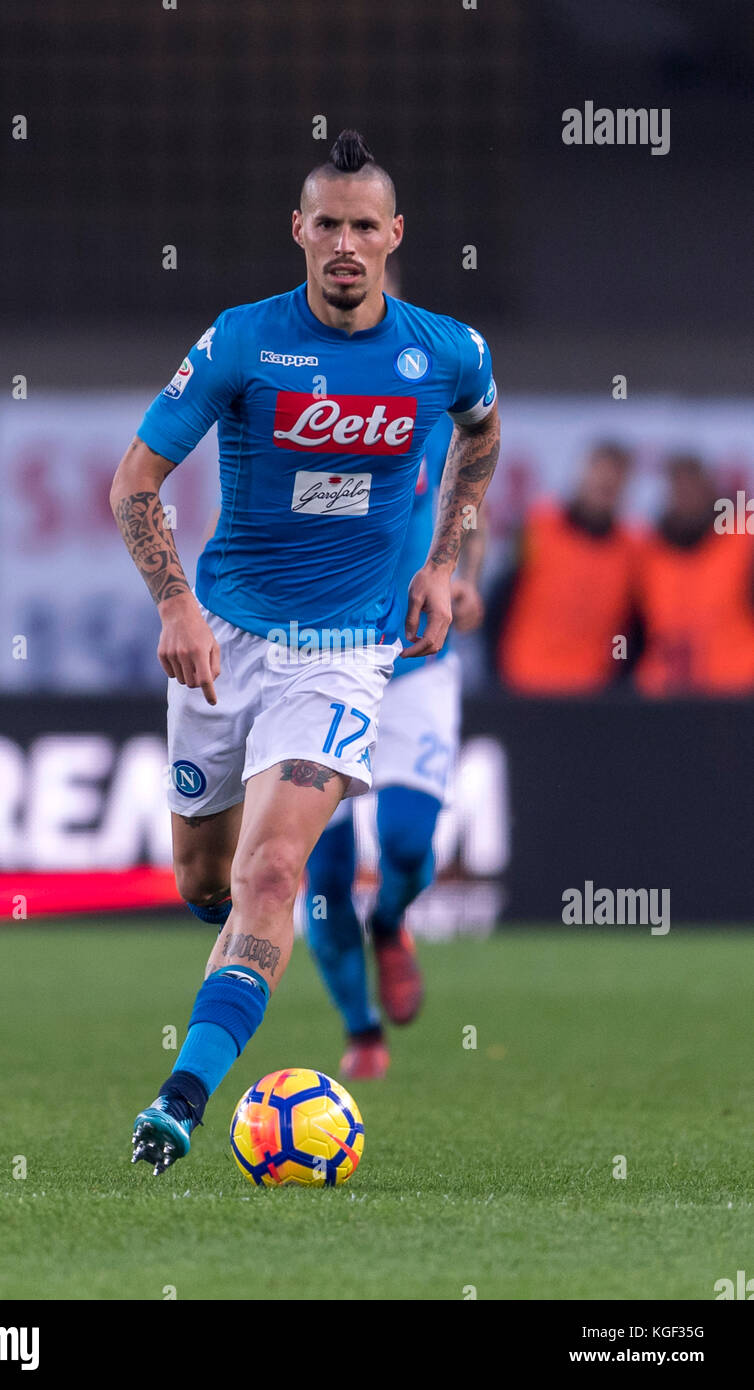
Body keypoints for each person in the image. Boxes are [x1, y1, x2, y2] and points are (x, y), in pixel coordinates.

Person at [109, 129, 500, 1174]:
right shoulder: (242, 341)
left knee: (272, 870)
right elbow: (133, 486)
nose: (343, 243)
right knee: (204, 879)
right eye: (324, 223)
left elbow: (482, 433)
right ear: (297, 230)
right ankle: (232, 965)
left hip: (344, 652)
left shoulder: (445, 349)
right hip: (225, 642)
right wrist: (176, 607)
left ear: (392, 236)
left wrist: (442, 560)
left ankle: (181, 1100)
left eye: (362, 226)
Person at [304, 406, 487, 1080]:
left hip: (414, 667)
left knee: (408, 842)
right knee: (324, 874)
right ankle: (362, 1029)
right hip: (318, 669)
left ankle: (389, 920)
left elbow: (471, 511)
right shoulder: (299, 410)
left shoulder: (437, 413)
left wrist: (467, 582)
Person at [493, 442, 640, 694]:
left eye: (614, 481)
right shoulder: (539, 526)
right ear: (583, 475)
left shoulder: (632, 549)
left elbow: (635, 628)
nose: (606, 486)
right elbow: (500, 599)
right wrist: (494, 676)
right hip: (524, 680)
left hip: (591, 690)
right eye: (600, 476)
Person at [635, 454, 754, 696]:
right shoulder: (648, 552)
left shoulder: (742, 542)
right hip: (665, 691)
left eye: (693, 487)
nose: (686, 497)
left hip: (736, 688)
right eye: (678, 488)